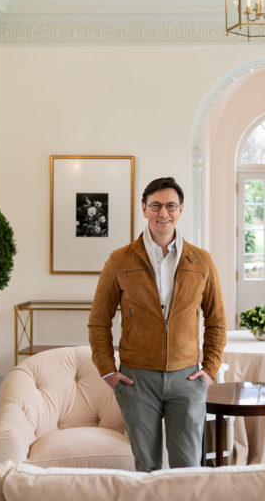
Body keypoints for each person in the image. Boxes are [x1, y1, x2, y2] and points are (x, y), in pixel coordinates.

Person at [88, 177, 226, 472]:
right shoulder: (119, 260)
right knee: (146, 470)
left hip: (187, 380)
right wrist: (107, 371)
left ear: (181, 209)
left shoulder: (201, 261)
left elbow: (217, 320)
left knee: (187, 470)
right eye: (156, 205)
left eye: (170, 205)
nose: (164, 213)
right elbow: (99, 321)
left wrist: (210, 369)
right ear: (144, 209)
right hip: (136, 381)